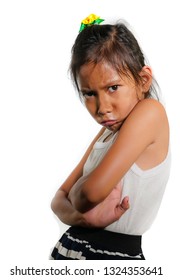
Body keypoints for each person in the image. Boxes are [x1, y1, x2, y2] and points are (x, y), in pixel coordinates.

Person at [50, 14, 171, 260]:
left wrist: (78, 195)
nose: (102, 107)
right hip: (70, 248)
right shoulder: (106, 132)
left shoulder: (151, 112)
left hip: (114, 256)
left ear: (143, 80)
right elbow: (57, 200)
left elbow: (87, 195)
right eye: (89, 93)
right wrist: (83, 219)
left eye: (113, 88)